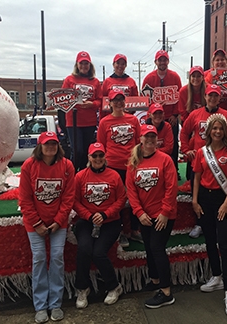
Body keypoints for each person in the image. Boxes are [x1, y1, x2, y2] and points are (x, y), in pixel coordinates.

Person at [19, 131, 75, 323]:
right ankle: (41, 305)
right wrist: (38, 224)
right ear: (40, 146)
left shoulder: (67, 166)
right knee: (40, 258)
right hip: (35, 223)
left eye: (54, 144)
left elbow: (68, 199)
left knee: (57, 258)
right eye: (46, 144)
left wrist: (58, 221)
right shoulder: (29, 165)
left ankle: (56, 304)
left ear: (58, 146)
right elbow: (24, 199)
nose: (50, 147)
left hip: (57, 222)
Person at [192, 114, 227, 317]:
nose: (218, 132)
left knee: (225, 245)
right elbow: (197, 177)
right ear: (209, 131)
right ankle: (217, 277)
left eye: (221, 128)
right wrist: (194, 201)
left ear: (225, 131)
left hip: (223, 199)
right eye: (214, 128)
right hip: (205, 199)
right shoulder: (202, 152)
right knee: (210, 242)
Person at [125, 124, 178, 309]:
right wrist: (139, 213)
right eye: (146, 137)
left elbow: (172, 188)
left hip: (164, 215)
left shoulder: (165, 160)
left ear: (157, 140)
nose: (149, 140)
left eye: (153, 137)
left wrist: (164, 213)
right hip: (145, 216)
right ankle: (155, 280)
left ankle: (166, 292)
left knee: (156, 247)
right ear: (140, 139)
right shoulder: (133, 162)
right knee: (149, 247)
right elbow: (131, 190)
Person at [73, 142, 127, 309]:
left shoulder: (114, 176)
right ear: (89, 157)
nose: (98, 159)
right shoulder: (80, 176)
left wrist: (105, 214)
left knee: (98, 253)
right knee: (84, 249)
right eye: (94, 156)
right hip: (86, 221)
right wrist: (89, 216)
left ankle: (114, 287)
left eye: (100, 155)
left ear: (105, 157)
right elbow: (74, 201)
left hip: (110, 222)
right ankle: (82, 288)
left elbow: (121, 199)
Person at [180, 84, 227, 239]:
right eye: (210, 95)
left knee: (218, 193)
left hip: (220, 162)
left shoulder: (226, 115)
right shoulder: (195, 114)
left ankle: (219, 222)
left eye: (215, 96)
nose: (212, 98)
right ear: (205, 97)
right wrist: (186, 150)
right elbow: (184, 132)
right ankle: (199, 223)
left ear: (219, 98)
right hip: (200, 161)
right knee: (199, 194)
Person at [97, 88, 141, 248]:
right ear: (110, 103)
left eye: (121, 100)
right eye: (115, 100)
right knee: (118, 200)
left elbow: (138, 143)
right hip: (113, 166)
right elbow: (101, 145)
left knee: (136, 196)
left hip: (131, 165)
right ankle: (121, 232)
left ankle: (135, 230)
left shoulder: (133, 120)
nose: (118, 103)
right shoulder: (104, 122)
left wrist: (137, 162)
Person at [142, 50, 182, 179]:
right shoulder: (149, 78)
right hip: (153, 117)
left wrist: (175, 115)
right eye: (160, 60)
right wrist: (150, 116)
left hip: (170, 117)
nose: (162, 62)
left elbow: (179, 96)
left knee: (173, 146)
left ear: (168, 61)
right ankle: (150, 168)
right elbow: (144, 99)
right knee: (150, 142)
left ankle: (174, 170)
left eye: (164, 59)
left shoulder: (175, 76)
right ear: (155, 62)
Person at [62, 51, 102, 170]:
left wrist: (92, 104)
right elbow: (62, 98)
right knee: (77, 150)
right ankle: (72, 175)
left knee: (86, 151)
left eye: (86, 63)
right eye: (81, 63)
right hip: (73, 121)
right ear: (77, 65)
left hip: (89, 121)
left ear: (90, 65)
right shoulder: (69, 79)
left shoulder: (95, 81)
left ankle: (84, 175)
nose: (84, 66)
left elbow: (100, 101)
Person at [101, 53, 139, 119]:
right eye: (118, 63)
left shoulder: (131, 81)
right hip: (111, 117)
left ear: (126, 65)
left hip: (127, 117)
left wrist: (131, 110)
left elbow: (136, 101)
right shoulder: (107, 82)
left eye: (123, 64)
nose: (120, 66)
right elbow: (102, 102)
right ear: (113, 64)